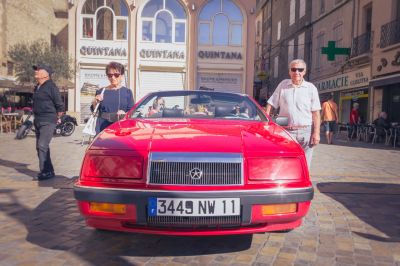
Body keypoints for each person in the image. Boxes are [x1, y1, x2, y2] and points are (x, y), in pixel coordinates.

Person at [265, 59, 321, 169]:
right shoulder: (283, 85)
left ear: (304, 71)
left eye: (300, 70)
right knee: (284, 161)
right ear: (289, 72)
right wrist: (266, 123)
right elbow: (271, 104)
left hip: (305, 131)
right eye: (294, 69)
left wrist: (316, 133)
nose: (297, 72)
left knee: (304, 163)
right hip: (285, 130)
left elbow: (316, 113)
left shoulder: (311, 88)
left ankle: (302, 184)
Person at [32, 63, 64, 180]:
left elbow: (60, 105)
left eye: (38, 69)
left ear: (46, 74)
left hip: (48, 120)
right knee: (40, 146)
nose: (36, 71)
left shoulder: (51, 86)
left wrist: (58, 117)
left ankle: (45, 172)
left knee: (42, 145)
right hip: (38, 120)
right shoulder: (37, 87)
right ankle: (49, 171)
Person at [91, 62, 134, 134]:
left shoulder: (127, 92)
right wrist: (94, 102)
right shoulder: (101, 91)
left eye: (116, 75)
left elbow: (132, 112)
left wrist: (124, 113)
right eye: (110, 75)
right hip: (103, 128)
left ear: (122, 75)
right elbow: (94, 111)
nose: (113, 78)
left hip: (121, 128)